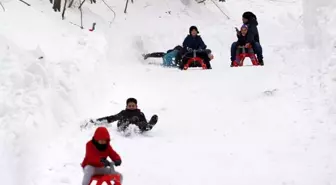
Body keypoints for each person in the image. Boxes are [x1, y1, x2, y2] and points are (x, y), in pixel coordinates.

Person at [93, 98, 158, 132]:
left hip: (136, 126)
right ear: (126, 106)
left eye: (133, 106)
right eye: (130, 106)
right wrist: (97, 121)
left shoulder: (140, 114)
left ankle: (150, 125)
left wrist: (145, 125)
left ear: (136, 106)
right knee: (128, 121)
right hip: (123, 126)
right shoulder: (123, 113)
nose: (131, 107)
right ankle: (129, 122)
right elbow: (112, 118)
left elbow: (144, 123)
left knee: (142, 124)